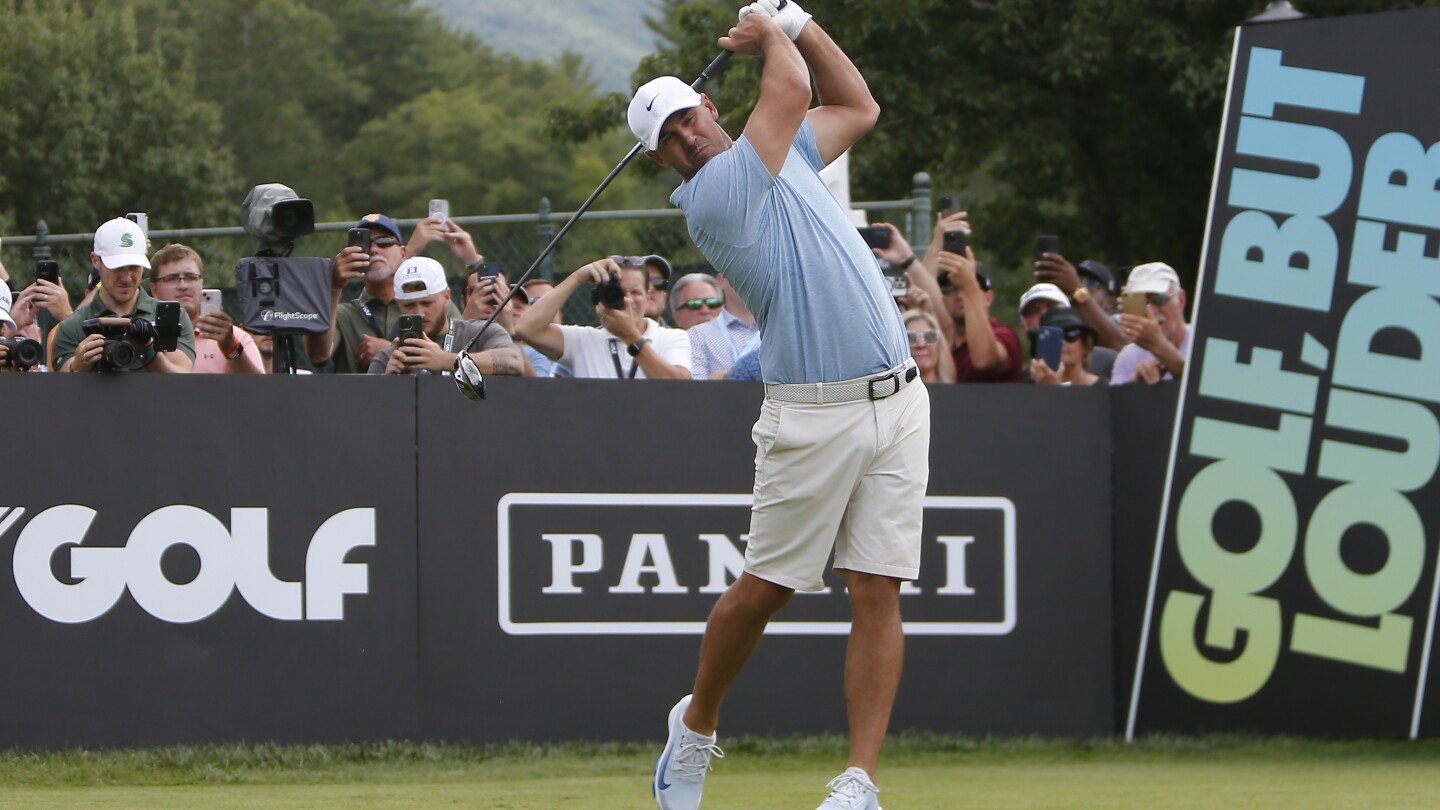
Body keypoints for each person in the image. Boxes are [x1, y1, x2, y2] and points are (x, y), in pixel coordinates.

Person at [630, 2, 927, 808]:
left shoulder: (785, 153)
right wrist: (771, 33)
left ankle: (859, 781)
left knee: (878, 586)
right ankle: (693, 730)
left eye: (688, 119)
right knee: (766, 587)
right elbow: (791, 89)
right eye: (669, 140)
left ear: (711, 108)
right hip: (813, 411)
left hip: (900, 398)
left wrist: (800, 23)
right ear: (664, 162)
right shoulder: (714, 195)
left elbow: (857, 106)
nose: (686, 138)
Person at [313, 213, 462, 373]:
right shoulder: (343, 315)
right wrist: (334, 286)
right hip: (359, 397)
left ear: (403, 253)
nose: (374, 250)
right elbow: (318, 355)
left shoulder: (432, 302)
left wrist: (389, 350)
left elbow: (461, 351)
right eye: (364, 244)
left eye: (384, 241)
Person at [52, 218, 195, 373]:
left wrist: (148, 349)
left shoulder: (170, 317)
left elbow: (180, 383)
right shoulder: (72, 327)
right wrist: (78, 367)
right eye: (117, 267)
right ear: (95, 260)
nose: (126, 278)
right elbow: (64, 390)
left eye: (134, 267)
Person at [515, 256, 691, 380]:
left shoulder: (672, 337)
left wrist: (630, 336)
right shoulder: (583, 339)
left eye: (635, 292)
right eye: (619, 293)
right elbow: (526, 328)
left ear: (648, 296)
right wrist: (577, 278)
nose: (627, 299)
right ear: (599, 297)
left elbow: (678, 386)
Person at [369, 257, 523, 376]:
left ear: (447, 296)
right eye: (409, 306)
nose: (420, 313)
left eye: (427, 303)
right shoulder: (389, 356)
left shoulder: (480, 333)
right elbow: (369, 410)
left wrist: (446, 360)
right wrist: (388, 382)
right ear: (398, 305)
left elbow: (513, 361)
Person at [149, 244, 264, 374]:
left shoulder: (232, 337)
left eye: (191, 277)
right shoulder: (143, 335)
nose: (183, 285)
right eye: (172, 278)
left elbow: (257, 389)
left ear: (201, 283)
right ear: (154, 290)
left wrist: (230, 347)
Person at [1111, 261, 1191, 385]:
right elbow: (1115, 402)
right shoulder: (1128, 356)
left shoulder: (1203, 345)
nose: (1151, 311)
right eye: (1142, 303)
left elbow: (1208, 389)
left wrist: (1158, 346)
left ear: (1181, 300)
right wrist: (1136, 383)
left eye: (1159, 299)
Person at [1033, 251, 1126, 350]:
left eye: (1090, 283)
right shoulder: (1065, 329)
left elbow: (1120, 344)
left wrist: (1077, 290)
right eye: (1078, 280)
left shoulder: (1123, 323)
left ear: (1110, 302)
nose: (1083, 287)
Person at [688, 273, 759, 379]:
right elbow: (695, 389)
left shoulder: (785, 334)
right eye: (742, 271)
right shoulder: (696, 334)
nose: (749, 280)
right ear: (721, 280)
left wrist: (723, 377)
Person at [1029, 307, 1102, 386]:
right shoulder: (1027, 389)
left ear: (1085, 345)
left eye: (1071, 334)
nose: (1062, 342)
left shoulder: (1105, 390)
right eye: (1054, 337)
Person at [644, 254, 675, 325]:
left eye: (658, 282)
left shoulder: (679, 335)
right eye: (643, 281)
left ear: (665, 299)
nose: (650, 288)